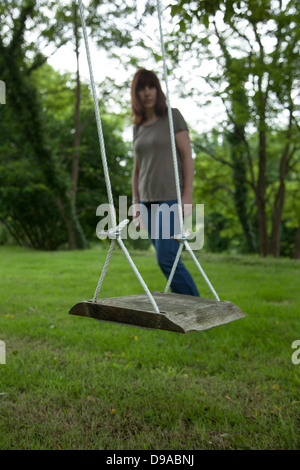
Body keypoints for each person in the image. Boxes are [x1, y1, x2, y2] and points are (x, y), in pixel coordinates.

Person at [130, 68, 199, 297]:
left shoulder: (173, 116)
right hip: (147, 200)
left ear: (157, 90)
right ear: (136, 94)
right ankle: (183, 306)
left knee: (167, 258)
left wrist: (187, 196)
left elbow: (187, 156)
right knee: (169, 260)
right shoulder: (137, 126)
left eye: (151, 87)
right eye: (141, 88)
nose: (147, 92)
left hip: (171, 196)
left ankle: (196, 307)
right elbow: (137, 169)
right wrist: (136, 205)